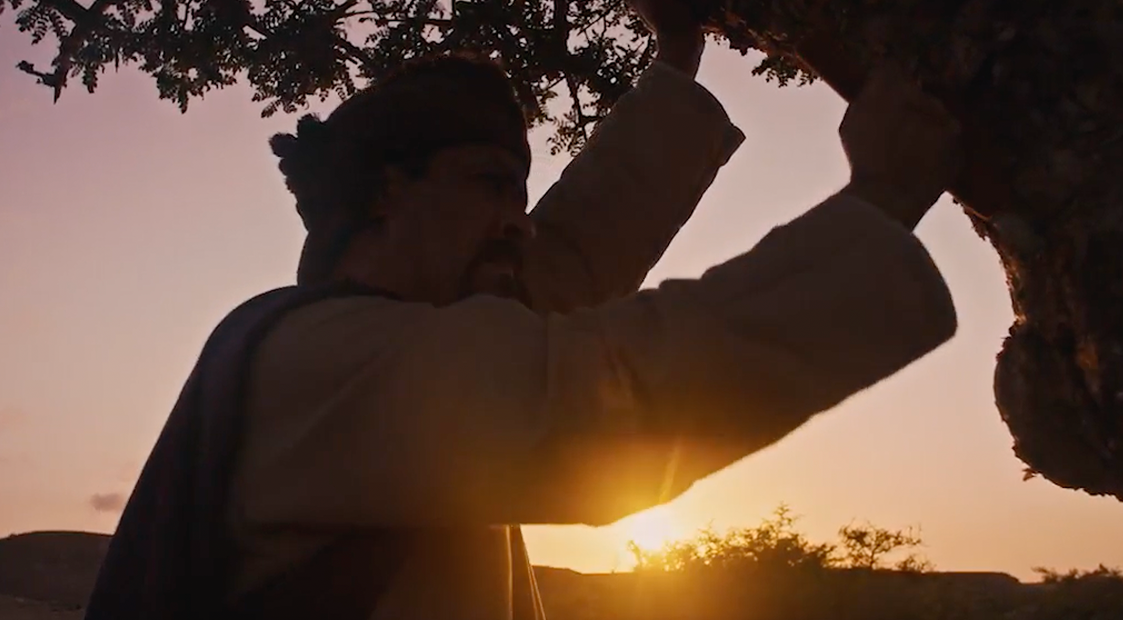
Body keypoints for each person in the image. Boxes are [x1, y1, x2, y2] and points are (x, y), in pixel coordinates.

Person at [83, 1, 962, 618]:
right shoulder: (320, 357)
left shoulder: (410, 342)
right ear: (389, 193)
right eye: (491, 186)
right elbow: (601, 387)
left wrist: (678, 59)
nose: (518, 222)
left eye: (522, 192)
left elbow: (570, 261)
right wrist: (879, 200)